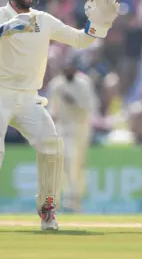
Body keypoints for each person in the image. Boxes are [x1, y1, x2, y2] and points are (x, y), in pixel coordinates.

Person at [0, 0, 119, 232]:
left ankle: (48, 209)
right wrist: (7, 28)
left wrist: (99, 26)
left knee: (52, 145)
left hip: (28, 98)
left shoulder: (44, 20)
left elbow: (80, 40)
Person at [47, 56, 98, 212]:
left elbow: (91, 107)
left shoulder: (84, 83)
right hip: (63, 128)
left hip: (81, 128)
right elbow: (52, 110)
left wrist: (73, 101)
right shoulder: (56, 85)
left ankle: (76, 200)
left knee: (78, 164)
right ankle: (69, 198)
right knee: (67, 160)